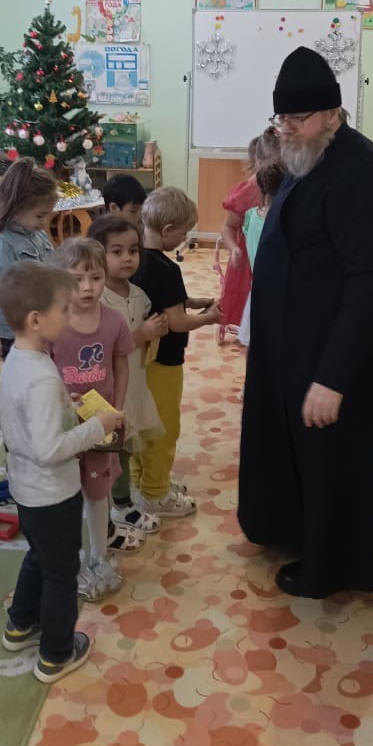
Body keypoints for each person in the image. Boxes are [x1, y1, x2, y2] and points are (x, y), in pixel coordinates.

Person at [238, 47, 373, 599]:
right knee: (300, 449)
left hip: (333, 353)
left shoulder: (360, 173)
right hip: (296, 345)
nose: (286, 130)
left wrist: (333, 377)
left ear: (333, 114)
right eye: (281, 118)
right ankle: (293, 530)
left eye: (298, 118)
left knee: (333, 457)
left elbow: (369, 280)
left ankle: (332, 567)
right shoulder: (310, 153)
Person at [0, 261, 123, 684]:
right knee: (62, 574)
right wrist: (96, 426)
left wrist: (68, 406)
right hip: (52, 492)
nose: (70, 315)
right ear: (36, 319)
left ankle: (20, 624)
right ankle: (56, 654)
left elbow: (32, 422)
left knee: (40, 555)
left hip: (26, 489)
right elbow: (49, 449)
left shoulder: (19, 358)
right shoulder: (41, 378)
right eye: (63, 309)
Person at [51, 238, 135, 599]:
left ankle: (98, 556)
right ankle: (66, 561)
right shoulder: (52, 324)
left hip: (102, 427)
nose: (87, 287)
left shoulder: (114, 321)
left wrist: (118, 408)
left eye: (96, 278)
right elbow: (42, 367)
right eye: (77, 279)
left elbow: (121, 364)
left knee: (98, 493)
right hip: (63, 429)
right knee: (64, 496)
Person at [131, 188, 222, 518]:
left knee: (140, 425)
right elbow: (177, 322)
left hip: (137, 359)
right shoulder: (168, 270)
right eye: (184, 233)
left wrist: (196, 302)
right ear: (168, 229)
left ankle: (140, 483)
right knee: (163, 428)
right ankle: (155, 494)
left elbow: (167, 301)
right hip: (164, 361)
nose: (185, 238)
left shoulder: (134, 259)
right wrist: (210, 317)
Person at [88, 214, 168, 538]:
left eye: (133, 250)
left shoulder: (137, 294)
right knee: (113, 449)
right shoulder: (98, 301)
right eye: (117, 251)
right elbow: (106, 350)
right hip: (111, 390)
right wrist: (143, 334)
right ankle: (118, 507)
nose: (127, 258)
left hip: (134, 385)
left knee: (127, 446)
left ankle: (121, 499)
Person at [0, 159, 58, 359]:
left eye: (47, 215)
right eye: (40, 216)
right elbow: (3, 295)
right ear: (17, 210)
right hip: (18, 333)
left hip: (44, 325)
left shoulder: (39, 235)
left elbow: (53, 269)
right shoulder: (2, 244)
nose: (45, 222)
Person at [217, 129, 280, 332]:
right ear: (258, 162)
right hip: (248, 260)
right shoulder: (247, 190)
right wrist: (234, 248)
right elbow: (228, 226)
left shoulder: (289, 185)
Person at [237, 162, 286, 349]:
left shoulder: (250, 216)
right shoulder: (284, 220)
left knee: (254, 340)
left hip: (257, 287)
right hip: (280, 290)